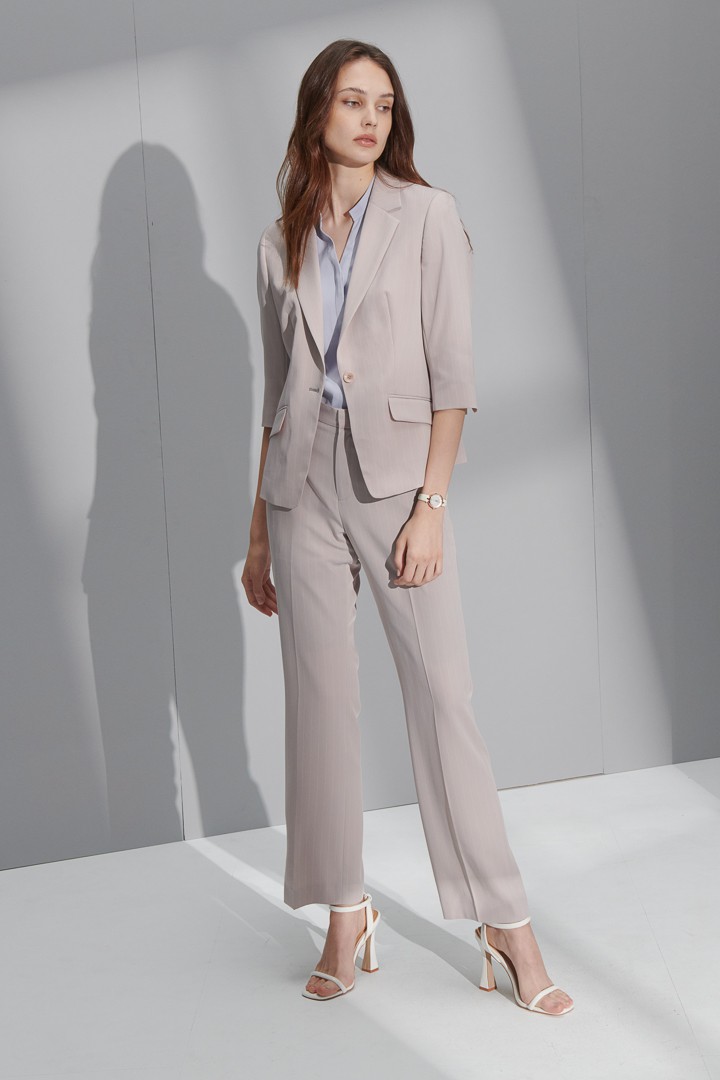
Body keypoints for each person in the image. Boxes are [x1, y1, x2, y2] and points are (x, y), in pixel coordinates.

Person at [242, 38, 574, 1015]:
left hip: (396, 485)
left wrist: (431, 506)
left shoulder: (427, 216)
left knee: (443, 698)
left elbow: (453, 374)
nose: (371, 119)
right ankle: (345, 913)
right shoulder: (278, 242)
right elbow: (274, 396)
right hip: (299, 487)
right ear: (317, 112)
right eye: (352, 101)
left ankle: (505, 922)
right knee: (319, 708)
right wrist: (257, 531)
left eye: (384, 104)